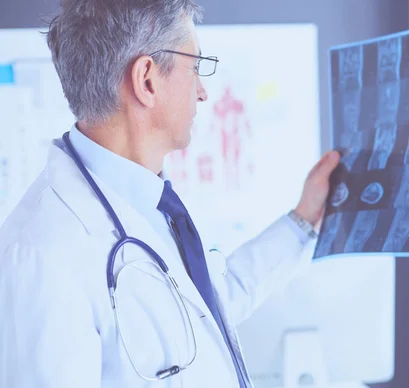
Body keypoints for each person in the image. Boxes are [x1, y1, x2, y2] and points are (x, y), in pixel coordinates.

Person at [0, 1, 340, 387]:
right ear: (147, 80)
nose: (202, 91)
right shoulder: (42, 254)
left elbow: (204, 311)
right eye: (194, 66)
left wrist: (302, 221)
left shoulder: (145, 201)